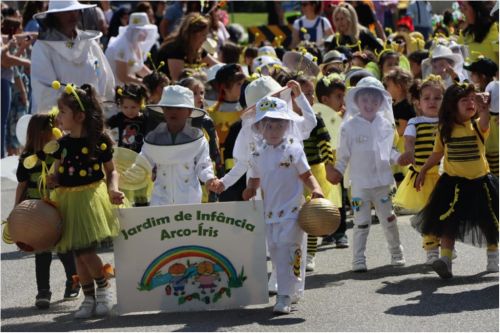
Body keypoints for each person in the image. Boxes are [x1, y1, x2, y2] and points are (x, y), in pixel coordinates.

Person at [241, 96, 324, 314]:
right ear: (260, 128)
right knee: (276, 251)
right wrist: (250, 189)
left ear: (287, 126)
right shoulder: (258, 153)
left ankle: (284, 296)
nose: (274, 130)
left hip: (292, 211)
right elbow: (255, 178)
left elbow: (306, 174)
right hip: (269, 212)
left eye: (279, 124)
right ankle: (292, 288)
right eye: (269, 125)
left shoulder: (293, 149)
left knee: (289, 249)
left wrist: (316, 188)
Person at [51, 82, 124, 319]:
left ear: (79, 116)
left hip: (91, 198)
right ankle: (89, 297)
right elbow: (57, 173)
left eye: (63, 112)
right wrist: (52, 179)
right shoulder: (61, 144)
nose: (58, 116)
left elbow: (112, 171)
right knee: (77, 254)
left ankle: (104, 288)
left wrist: (113, 189)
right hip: (68, 200)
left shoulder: (99, 141)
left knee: (84, 252)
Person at [413, 82, 499, 278]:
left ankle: (493, 257)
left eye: (472, 100)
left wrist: (484, 106)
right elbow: (437, 154)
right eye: (464, 100)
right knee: (448, 224)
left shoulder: (478, 126)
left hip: (480, 183)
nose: (470, 103)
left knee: (489, 222)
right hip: (454, 185)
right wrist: (423, 170)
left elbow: (485, 119)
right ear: (452, 105)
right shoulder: (445, 129)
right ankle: (445, 261)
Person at [329, 77, 405, 272]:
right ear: (357, 101)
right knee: (361, 222)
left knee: (389, 219)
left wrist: (400, 159)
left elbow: (390, 152)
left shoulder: (386, 125)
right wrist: (337, 170)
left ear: (381, 102)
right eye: (365, 100)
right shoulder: (348, 127)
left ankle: (396, 253)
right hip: (359, 186)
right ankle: (358, 259)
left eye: (374, 100)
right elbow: (343, 155)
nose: (369, 104)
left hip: (383, 184)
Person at [14, 113, 80, 310]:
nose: (58, 129)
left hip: (58, 206)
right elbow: (22, 184)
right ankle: (43, 291)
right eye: (54, 126)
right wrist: (16, 211)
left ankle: (73, 281)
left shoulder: (60, 152)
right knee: (41, 251)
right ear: (43, 132)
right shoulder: (27, 157)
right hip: (36, 210)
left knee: (63, 248)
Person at [31, 0, 115, 114]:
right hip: (60, 121)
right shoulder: (42, 47)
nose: (72, 15)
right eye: (65, 12)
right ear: (54, 16)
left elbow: (105, 77)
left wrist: (104, 108)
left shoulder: (89, 43)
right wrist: (72, 112)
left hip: (92, 117)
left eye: (75, 10)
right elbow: (44, 91)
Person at [394, 76, 445, 264]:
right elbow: (409, 141)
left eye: (437, 98)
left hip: (445, 175)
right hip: (423, 177)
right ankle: (431, 249)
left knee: (448, 212)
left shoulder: (447, 122)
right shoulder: (415, 122)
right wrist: (408, 152)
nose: (432, 101)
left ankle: (447, 247)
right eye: (427, 98)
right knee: (429, 214)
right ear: (418, 102)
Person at [140, 85, 218, 205]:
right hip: (160, 198)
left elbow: (204, 165)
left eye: (179, 108)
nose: (173, 112)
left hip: (189, 199)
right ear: (163, 111)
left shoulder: (198, 140)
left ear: (189, 112)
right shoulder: (154, 138)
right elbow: (142, 163)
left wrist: (209, 180)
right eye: (168, 108)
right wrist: (125, 177)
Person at [313, 74, 349, 248]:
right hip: (322, 163)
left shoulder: (340, 115)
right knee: (324, 199)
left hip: (338, 163)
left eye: (344, 96)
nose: (343, 101)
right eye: (339, 97)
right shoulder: (316, 116)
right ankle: (328, 230)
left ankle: (340, 232)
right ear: (325, 99)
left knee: (338, 198)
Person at [179, 77, 223, 202]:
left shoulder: (206, 121)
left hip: (203, 177)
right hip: (180, 177)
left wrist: (216, 174)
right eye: (194, 93)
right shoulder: (173, 121)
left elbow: (214, 151)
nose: (200, 97)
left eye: (202, 93)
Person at [157, 13, 219, 81]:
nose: (205, 39)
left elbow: (218, 66)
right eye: (203, 35)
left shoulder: (197, 49)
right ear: (192, 34)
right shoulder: (174, 49)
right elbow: (178, 80)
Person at [105, 12, 157, 85]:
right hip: (114, 89)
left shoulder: (135, 44)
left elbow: (139, 67)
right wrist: (144, 82)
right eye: (143, 30)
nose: (146, 33)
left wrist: (155, 77)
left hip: (126, 88)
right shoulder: (122, 46)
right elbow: (122, 76)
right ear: (135, 31)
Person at [383, 68, 415, 184]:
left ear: (399, 87)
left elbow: (402, 129)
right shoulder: (394, 104)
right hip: (396, 141)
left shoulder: (405, 106)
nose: (387, 89)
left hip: (402, 143)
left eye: (389, 86)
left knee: (402, 171)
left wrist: (387, 134)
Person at [458, 1, 499, 66]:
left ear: (476, 9)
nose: (462, 12)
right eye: (460, 8)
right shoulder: (465, 33)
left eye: (465, 8)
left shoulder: (494, 28)